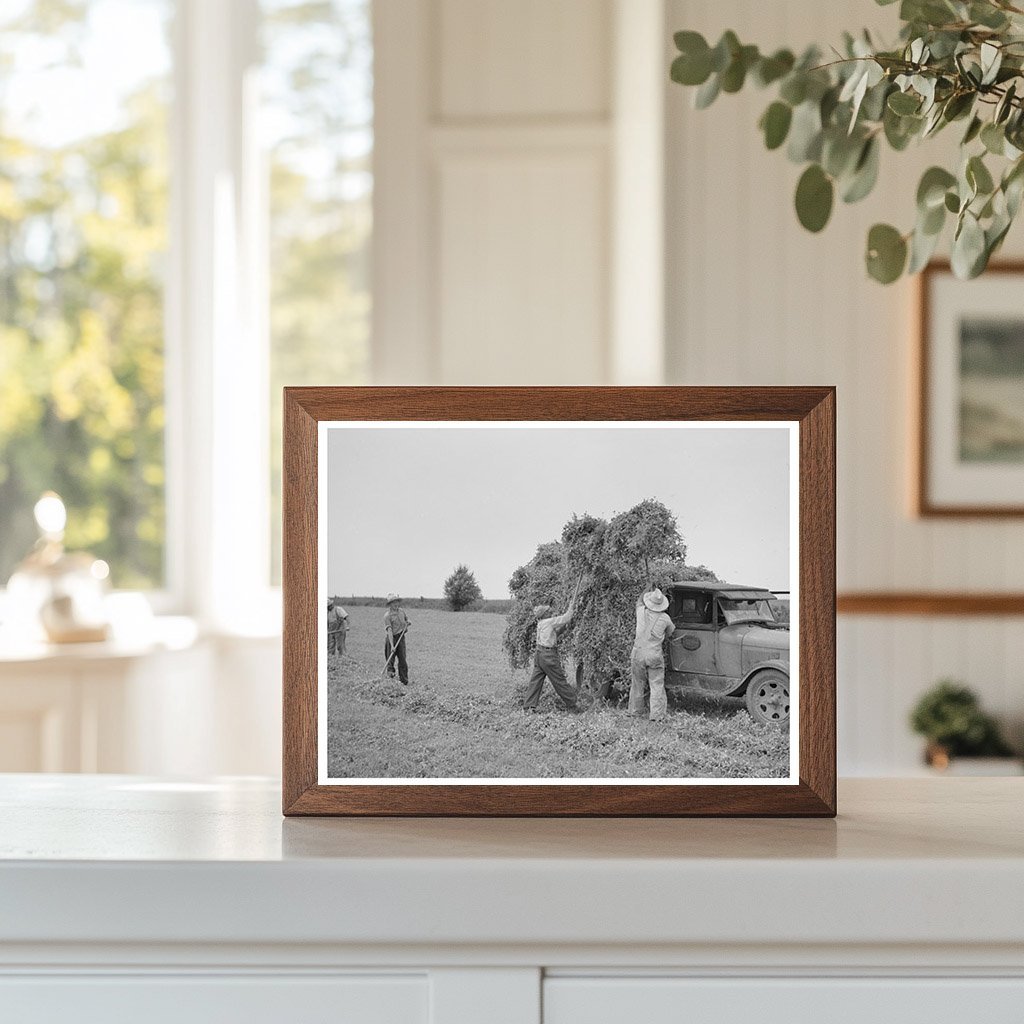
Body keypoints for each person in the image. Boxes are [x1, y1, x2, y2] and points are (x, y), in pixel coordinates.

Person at [522, 582, 581, 712]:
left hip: (539, 655)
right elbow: (566, 617)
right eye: (549, 611)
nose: (551, 612)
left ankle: (529, 707)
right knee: (559, 681)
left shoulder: (542, 624)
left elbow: (554, 634)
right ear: (544, 614)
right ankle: (573, 705)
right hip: (548, 656)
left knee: (535, 681)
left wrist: (565, 627)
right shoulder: (549, 621)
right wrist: (572, 606)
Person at [629, 588, 676, 722]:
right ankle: (657, 716)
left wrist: (645, 589)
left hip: (637, 653)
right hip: (654, 655)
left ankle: (635, 712)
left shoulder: (640, 612)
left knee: (637, 683)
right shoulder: (665, 618)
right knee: (656, 684)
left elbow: (638, 602)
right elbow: (671, 632)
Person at [383, 593, 411, 685]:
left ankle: (403, 681)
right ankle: (390, 680)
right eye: (393, 602)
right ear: (390, 604)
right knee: (390, 660)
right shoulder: (387, 616)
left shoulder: (401, 611)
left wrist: (408, 622)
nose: (396, 604)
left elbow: (406, 619)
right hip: (392, 638)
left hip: (401, 637)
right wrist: (392, 645)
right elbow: (389, 631)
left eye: (397, 602)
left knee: (402, 659)